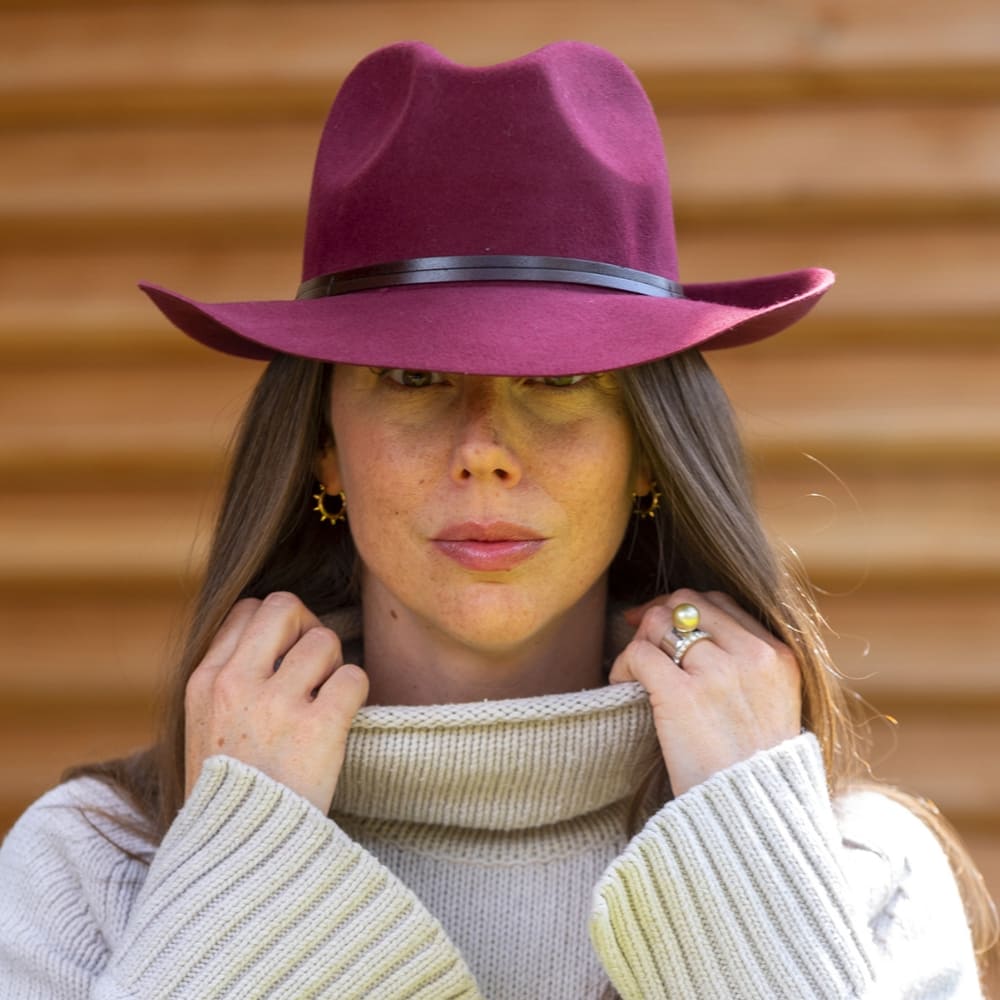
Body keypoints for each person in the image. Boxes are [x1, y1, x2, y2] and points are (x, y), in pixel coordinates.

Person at [0, 40, 993, 1000]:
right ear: (323, 448)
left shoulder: (857, 873)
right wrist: (231, 872)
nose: (484, 446)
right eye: (414, 375)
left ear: (648, 448)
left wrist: (752, 858)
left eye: (560, 379)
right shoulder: (95, 866)